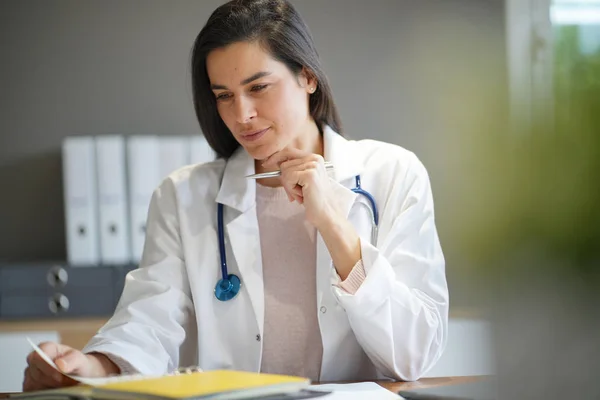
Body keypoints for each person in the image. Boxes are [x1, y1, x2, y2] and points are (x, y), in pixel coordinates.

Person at [23, 0, 448, 391]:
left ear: (308, 76)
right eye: (223, 96)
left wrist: (335, 226)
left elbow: (414, 354)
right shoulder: (183, 195)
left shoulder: (393, 175)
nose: (241, 115)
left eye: (259, 87)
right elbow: (150, 319)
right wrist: (93, 367)